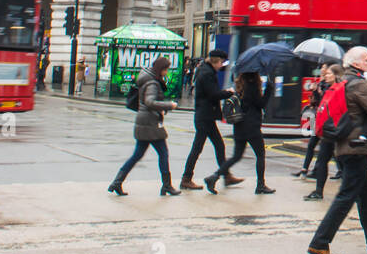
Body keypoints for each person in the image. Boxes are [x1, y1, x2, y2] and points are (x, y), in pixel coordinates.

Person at [307, 46, 367, 254]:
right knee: (346, 196)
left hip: (347, 145)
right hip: (357, 147)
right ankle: (320, 242)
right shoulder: (360, 85)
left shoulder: (344, 82)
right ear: (356, 63)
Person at [109, 57, 180, 195]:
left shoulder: (147, 78)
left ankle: (117, 182)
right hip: (150, 122)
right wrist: (169, 105)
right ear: (161, 69)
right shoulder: (152, 83)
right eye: (166, 69)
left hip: (144, 121)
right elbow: (149, 102)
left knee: (137, 154)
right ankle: (167, 185)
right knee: (163, 153)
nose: (167, 72)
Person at [205, 71, 275, 193]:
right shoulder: (252, 86)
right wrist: (269, 89)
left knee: (236, 156)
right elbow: (261, 104)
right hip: (252, 127)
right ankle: (260, 185)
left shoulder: (240, 86)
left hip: (239, 127)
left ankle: (214, 176)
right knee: (260, 155)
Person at [182, 50, 239, 190]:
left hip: (205, 116)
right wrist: (229, 92)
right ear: (216, 61)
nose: (221, 66)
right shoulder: (207, 74)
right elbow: (213, 94)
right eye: (221, 63)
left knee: (218, 146)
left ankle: (226, 175)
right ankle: (186, 178)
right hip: (205, 117)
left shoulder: (205, 70)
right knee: (198, 148)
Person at [303, 64, 344, 199]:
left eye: (328, 74)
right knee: (322, 160)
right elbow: (320, 106)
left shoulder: (341, 89)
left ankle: (349, 191)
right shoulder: (326, 88)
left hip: (335, 129)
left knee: (342, 161)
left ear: (336, 75)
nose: (325, 76)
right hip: (326, 130)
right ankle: (318, 191)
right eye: (324, 74)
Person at [297, 64, 333, 178]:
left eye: (325, 68)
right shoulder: (320, 82)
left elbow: (326, 101)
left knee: (328, 149)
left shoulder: (330, 85)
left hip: (326, 120)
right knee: (312, 144)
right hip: (318, 118)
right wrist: (315, 91)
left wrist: (319, 91)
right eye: (322, 67)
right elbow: (317, 101)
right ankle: (305, 169)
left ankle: (337, 171)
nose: (322, 69)